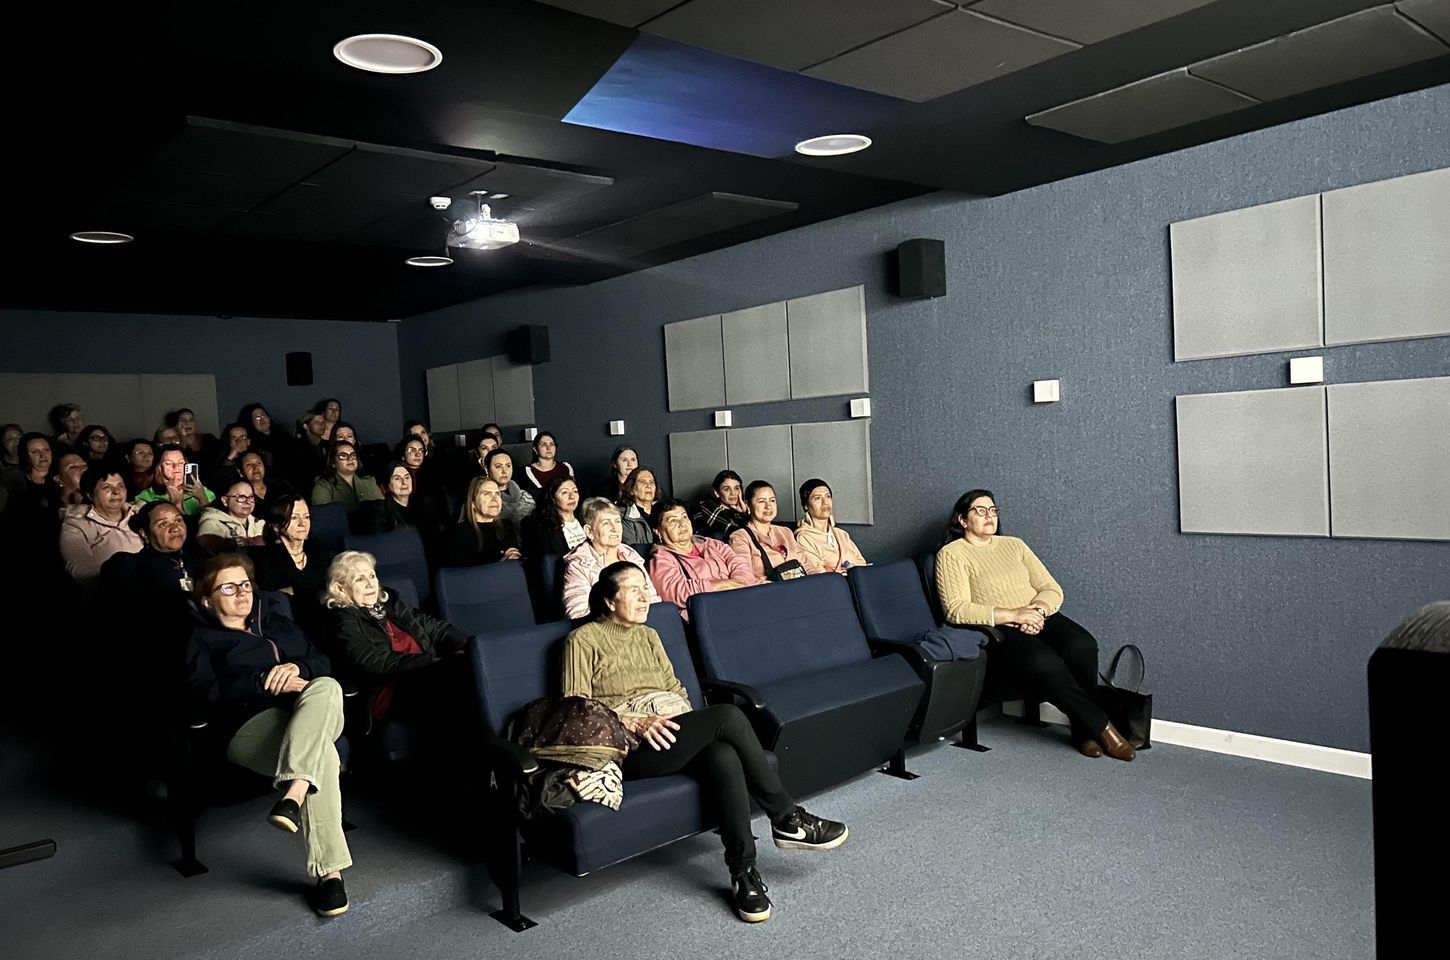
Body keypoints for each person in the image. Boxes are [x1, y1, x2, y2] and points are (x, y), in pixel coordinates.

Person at [563, 562, 848, 923]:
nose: (643, 596)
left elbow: (675, 688)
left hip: (672, 728)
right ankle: (786, 816)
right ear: (608, 600)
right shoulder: (583, 639)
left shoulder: (648, 636)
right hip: (631, 746)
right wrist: (635, 722)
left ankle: (744, 874)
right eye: (632, 589)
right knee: (727, 716)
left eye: (645, 588)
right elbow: (575, 710)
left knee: (723, 755)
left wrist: (682, 720)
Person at [185, 553, 352, 917]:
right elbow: (202, 690)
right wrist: (261, 682)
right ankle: (330, 874)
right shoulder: (203, 638)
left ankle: (293, 791)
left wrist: (296, 667)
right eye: (227, 587)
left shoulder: (277, 623)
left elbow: (321, 661)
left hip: (309, 710)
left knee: (326, 686)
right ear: (207, 599)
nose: (241, 592)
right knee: (323, 755)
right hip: (248, 726)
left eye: (245, 584)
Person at [935, 489, 1136, 762]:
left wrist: (1037, 612)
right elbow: (956, 609)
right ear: (962, 519)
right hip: (999, 627)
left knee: (1083, 646)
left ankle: (1083, 732)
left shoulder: (1014, 545)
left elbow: (1050, 588)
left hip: (1038, 614)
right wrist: (1015, 615)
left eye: (993, 510)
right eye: (980, 511)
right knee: (1044, 662)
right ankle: (1103, 727)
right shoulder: (952, 554)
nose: (989, 516)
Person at [323, 550, 469, 722]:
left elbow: (436, 627)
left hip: (429, 672)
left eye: (372, 576)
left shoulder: (391, 603)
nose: (370, 584)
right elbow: (376, 661)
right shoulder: (344, 620)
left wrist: (466, 647)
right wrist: (432, 662)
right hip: (392, 688)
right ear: (340, 588)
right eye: (360, 579)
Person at [646, 499, 755, 619]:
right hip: (706, 617)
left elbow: (741, 566)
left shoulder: (713, 544)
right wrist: (719, 585)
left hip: (739, 603)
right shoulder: (660, 559)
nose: (682, 524)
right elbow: (676, 592)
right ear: (658, 531)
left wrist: (739, 587)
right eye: (673, 521)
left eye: (684, 517)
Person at [249, 495, 333, 641]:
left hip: (326, 617)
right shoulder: (265, 557)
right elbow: (273, 596)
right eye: (294, 518)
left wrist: (295, 590)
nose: (303, 523)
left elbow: (333, 584)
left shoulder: (319, 549)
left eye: (306, 517)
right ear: (276, 525)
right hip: (290, 624)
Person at [561, 497, 658, 619]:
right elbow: (578, 614)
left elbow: (653, 599)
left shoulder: (631, 556)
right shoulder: (578, 565)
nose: (615, 528)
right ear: (589, 531)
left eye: (617, 521)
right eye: (606, 523)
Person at [59, 464, 143, 586]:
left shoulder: (139, 513)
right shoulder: (76, 525)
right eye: (106, 487)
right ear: (90, 495)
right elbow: (80, 568)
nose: (116, 492)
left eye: (120, 486)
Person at [729, 482, 806, 581]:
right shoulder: (740, 537)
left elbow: (806, 563)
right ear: (748, 504)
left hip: (801, 587)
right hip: (769, 592)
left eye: (772, 500)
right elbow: (744, 579)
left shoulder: (786, 532)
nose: (768, 506)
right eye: (762, 501)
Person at [794, 479, 868, 576]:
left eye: (828, 496)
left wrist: (833, 570)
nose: (825, 502)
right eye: (817, 498)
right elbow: (818, 573)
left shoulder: (841, 534)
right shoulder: (804, 538)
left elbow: (862, 564)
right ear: (806, 505)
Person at [448, 478, 522, 566]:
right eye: (487, 494)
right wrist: (501, 564)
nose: (495, 498)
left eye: (497, 494)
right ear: (473, 502)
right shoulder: (460, 533)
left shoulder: (508, 526)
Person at [136, 444, 215, 515]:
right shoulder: (147, 497)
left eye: (180, 463)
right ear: (159, 467)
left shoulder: (204, 493)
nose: (176, 467)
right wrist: (177, 505)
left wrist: (202, 498)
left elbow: (213, 524)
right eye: (168, 463)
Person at [519, 476, 585, 558]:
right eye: (564, 492)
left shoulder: (586, 520)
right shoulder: (540, 526)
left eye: (575, 491)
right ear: (553, 498)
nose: (572, 496)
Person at [310, 441, 383, 514]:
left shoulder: (370, 482)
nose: (350, 459)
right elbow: (324, 518)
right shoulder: (323, 487)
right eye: (343, 456)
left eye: (353, 455)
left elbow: (383, 510)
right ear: (333, 463)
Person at [197, 479, 268, 552]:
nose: (248, 501)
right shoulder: (212, 523)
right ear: (225, 501)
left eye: (251, 497)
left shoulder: (260, 524)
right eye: (241, 497)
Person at [692, 470, 750, 541]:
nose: (733, 493)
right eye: (726, 489)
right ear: (717, 493)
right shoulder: (705, 506)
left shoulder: (738, 512)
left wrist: (744, 512)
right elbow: (740, 533)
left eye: (737, 488)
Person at [482, 448, 534, 525]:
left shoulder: (525, 497)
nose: (504, 471)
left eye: (508, 466)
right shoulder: (482, 498)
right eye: (498, 466)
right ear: (487, 469)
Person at [617, 465, 661, 549]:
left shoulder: (664, 513)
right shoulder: (622, 516)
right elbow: (632, 549)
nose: (648, 485)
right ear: (631, 490)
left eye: (651, 482)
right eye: (643, 482)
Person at [520, 430, 573, 496]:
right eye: (543, 444)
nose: (548, 448)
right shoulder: (527, 471)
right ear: (535, 450)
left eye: (551, 444)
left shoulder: (565, 467)